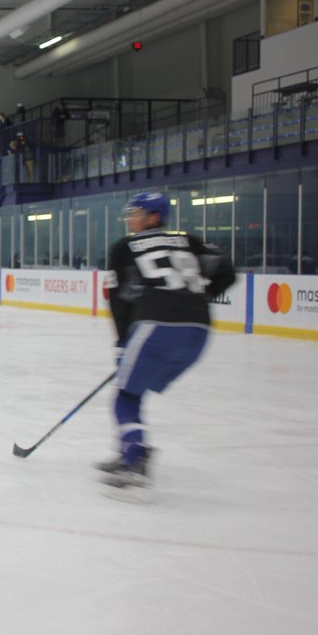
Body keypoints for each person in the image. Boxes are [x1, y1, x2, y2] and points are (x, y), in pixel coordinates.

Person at [98, 191, 235, 495]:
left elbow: (118, 299)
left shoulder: (124, 247)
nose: (130, 219)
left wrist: (122, 342)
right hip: (199, 331)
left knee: (124, 395)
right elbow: (227, 272)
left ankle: (135, 459)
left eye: (136, 213)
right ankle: (129, 450)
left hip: (157, 326)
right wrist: (198, 297)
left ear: (154, 217)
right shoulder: (189, 240)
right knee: (135, 388)